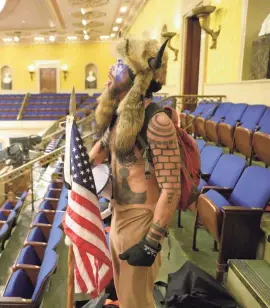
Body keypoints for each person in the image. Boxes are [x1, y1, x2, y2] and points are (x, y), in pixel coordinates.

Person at [89, 37, 179, 308]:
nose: (110, 72)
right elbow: (98, 153)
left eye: (119, 65)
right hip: (117, 215)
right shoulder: (120, 118)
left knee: (137, 301)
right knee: (124, 295)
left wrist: (152, 241)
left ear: (137, 76)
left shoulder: (158, 122)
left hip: (141, 223)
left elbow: (171, 188)